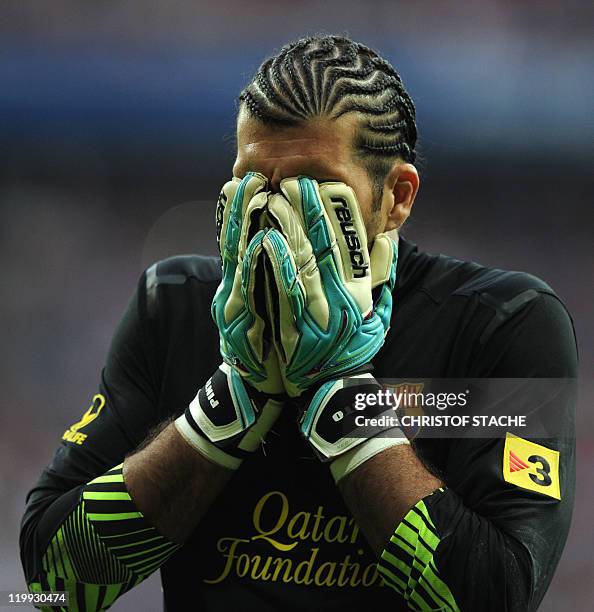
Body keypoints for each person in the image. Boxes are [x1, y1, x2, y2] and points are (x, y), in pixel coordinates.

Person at [20, 35, 577, 612]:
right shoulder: (176, 306)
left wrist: (342, 399)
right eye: (256, 181)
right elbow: (52, 583)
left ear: (397, 196)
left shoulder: (505, 323)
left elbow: (498, 597)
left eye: (312, 183)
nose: (277, 210)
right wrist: (233, 398)